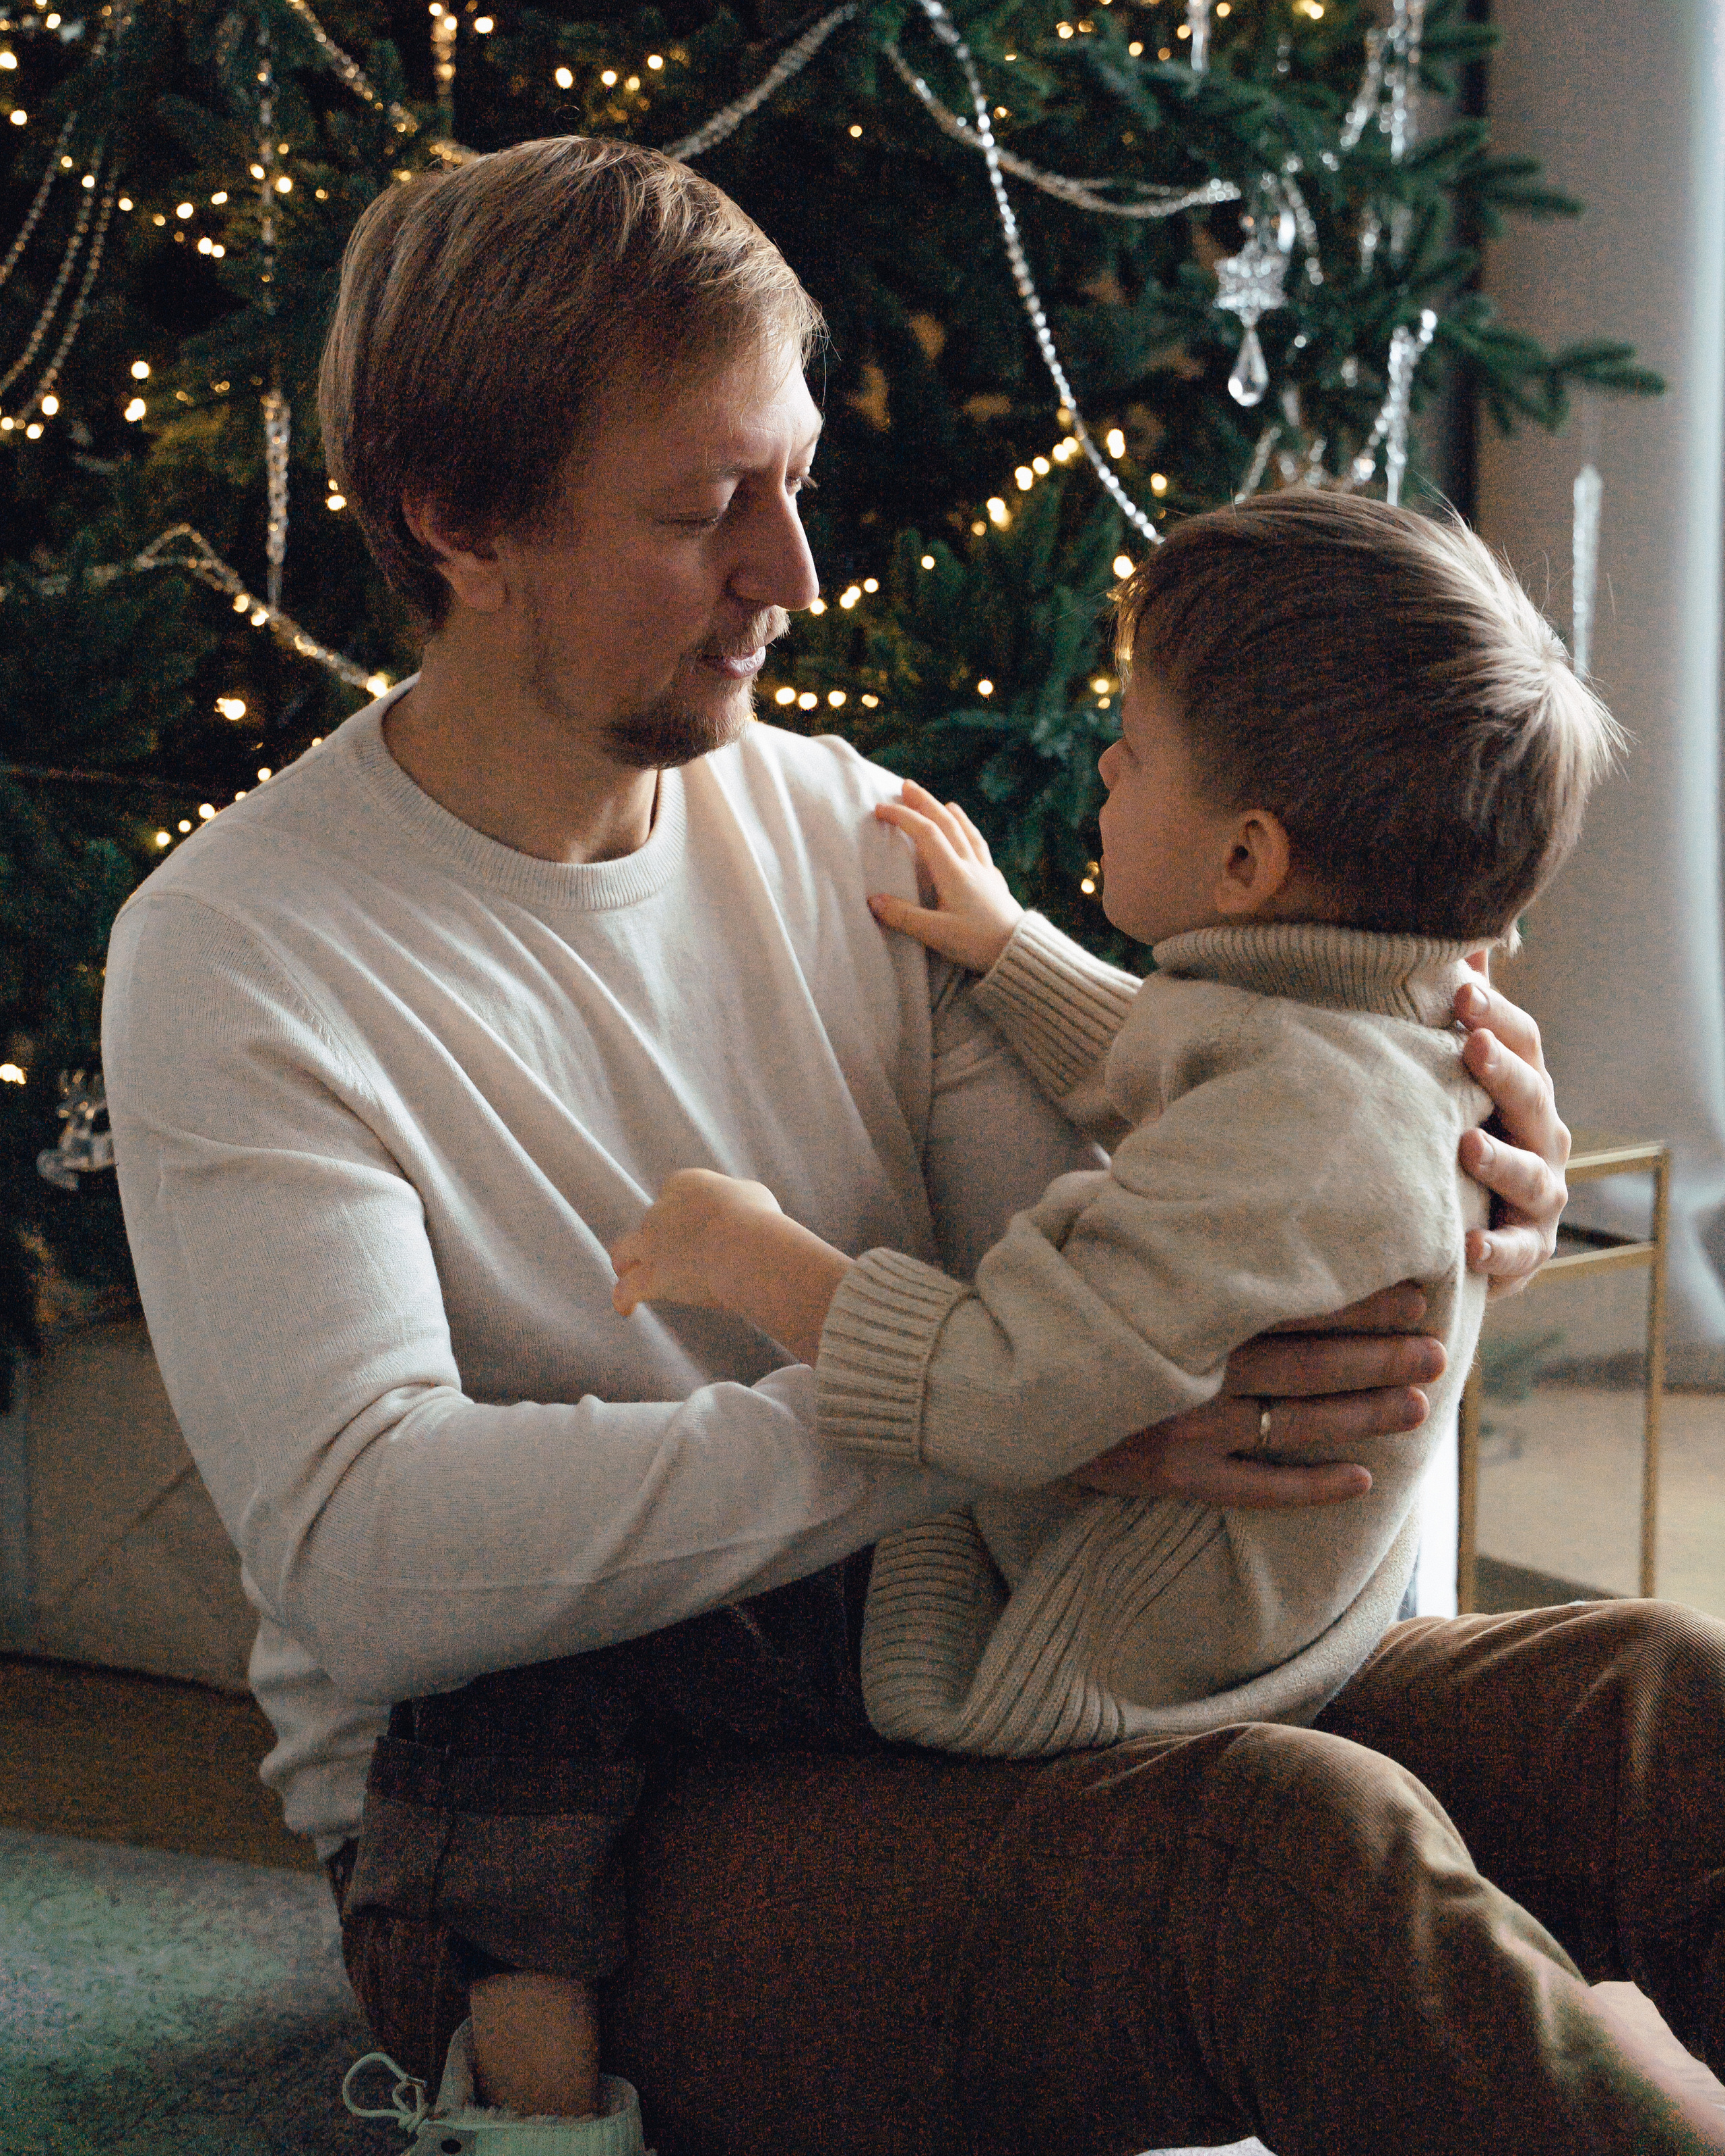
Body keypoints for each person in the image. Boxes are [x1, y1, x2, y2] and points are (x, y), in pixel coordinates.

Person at [95, 135, 1725, 2156]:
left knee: (1664, 1705)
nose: (791, 572)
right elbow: (367, 1555)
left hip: (998, 1651)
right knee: (1298, 1853)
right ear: (457, 520)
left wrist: (1419, 1184)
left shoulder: (852, 833)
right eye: (706, 510)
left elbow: (1139, 1258)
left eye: (791, 481)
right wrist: (995, 1418)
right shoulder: (241, 955)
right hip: (578, 1829)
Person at [609, 491, 1622, 1763]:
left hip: (1090, 1682)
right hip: (1254, 1631)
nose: (1102, 766)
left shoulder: (1304, 1125)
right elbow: (1199, 1066)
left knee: (594, 1685)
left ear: (1248, 865)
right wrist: (1013, 951)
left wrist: (750, 1255)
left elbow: (1000, 1388)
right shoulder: (1365, 1025)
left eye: (1133, 749)